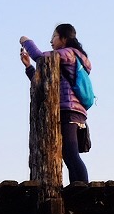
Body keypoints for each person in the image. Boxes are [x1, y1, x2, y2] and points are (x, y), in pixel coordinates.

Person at [19, 24, 92, 184]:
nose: (51, 41)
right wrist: (29, 67)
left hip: (69, 110)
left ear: (64, 38)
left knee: (70, 152)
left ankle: (82, 187)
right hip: (73, 110)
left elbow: (40, 57)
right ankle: (77, 186)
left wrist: (25, 41)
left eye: (54, 36)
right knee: (68, 153)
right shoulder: (68, 58)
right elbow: (42, 85)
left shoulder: (69, 53)